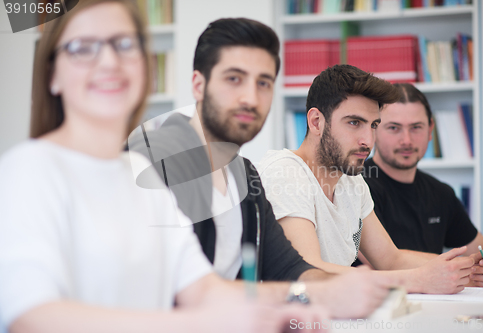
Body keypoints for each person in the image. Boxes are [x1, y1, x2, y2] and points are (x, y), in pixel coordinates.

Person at [0, 1, 325, 332]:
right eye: (83, 48)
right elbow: (31, 317)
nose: (110, 61)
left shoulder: (138, 176)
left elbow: (204, 290)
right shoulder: (28, 170)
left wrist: (296, 303)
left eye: (125, 45)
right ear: (52, 74)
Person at [128, 18, 396, 318]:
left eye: (263, 83)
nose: (251, 98)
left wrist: (348, 289)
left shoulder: (245, 176)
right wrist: (317, 293)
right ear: (198, 85)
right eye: (234, 79)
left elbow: (290, 268)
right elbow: (180, 295)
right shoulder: (151, 167)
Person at [257, 64, 483, 294]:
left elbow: (390, 259)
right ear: (316, 122)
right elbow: (306, 269)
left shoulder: (351, 181)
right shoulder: (284, 173)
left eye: (374, 125)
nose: (368, 140)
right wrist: (417, 280)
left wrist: (466, 271)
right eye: (354, 123)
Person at [362, 82, 483, 286]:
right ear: (373, 130)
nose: (406, 140)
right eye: (394, 128)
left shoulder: (440, 192)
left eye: (416, 127)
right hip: (380, 309)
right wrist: (467, 267)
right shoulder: (356, 186)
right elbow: (384, 261)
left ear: (430, 130)